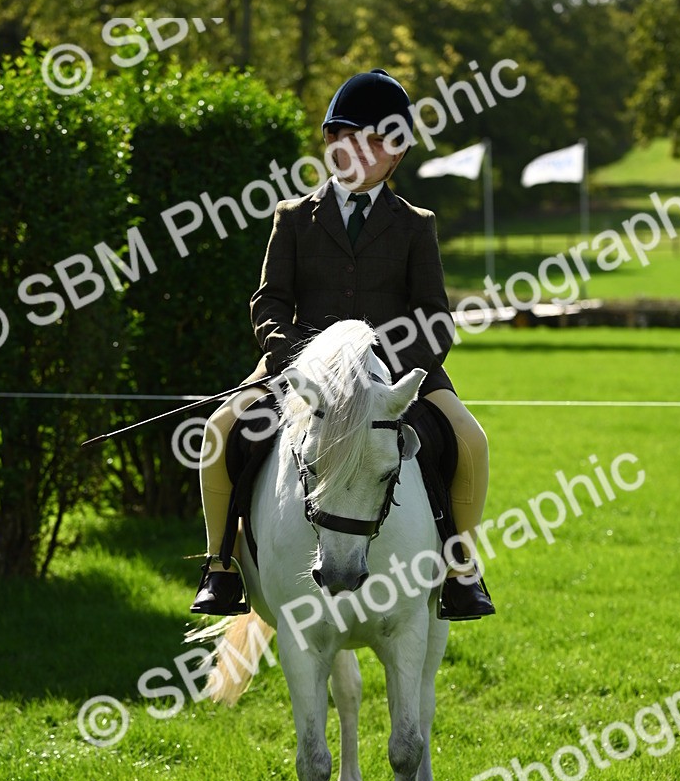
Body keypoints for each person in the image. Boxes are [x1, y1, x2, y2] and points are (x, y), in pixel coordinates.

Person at [191, 68, 495, 621]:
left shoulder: (415, 225)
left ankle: (461, 571)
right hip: (299, 371)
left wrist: (379, 373)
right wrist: (301, 363)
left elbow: (433, 318)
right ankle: (221, 566)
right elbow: (270, 302)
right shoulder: (293, 218)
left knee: (471, 441)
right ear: (330, 141)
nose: (360, 152)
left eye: (377, 142)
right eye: (348, 138)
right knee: (218, 431)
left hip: (393, 375)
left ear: (397, 154)